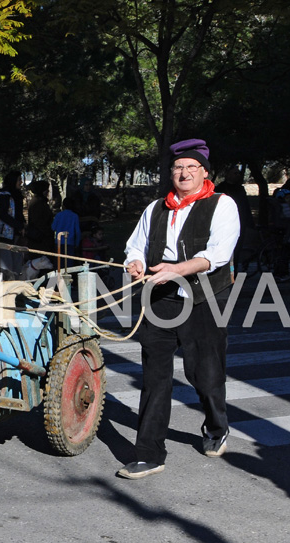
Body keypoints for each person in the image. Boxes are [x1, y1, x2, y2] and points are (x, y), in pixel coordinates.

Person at [118, 138, 240, 480]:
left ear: (204, 171)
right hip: (160, 299)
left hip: (204, 298)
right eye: (178, 167)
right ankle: (149, 453)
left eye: (191, 167)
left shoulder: (222, 204)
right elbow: (134, 245)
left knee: (204, 373)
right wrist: (136, 262)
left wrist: (178, 269)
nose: (183, 172)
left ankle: (216, 427)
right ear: (171, 173)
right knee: (155, 376)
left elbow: (218, 254)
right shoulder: (156, 207)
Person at [215, 167, 255, 273]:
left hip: (239, 223)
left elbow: (245, 206)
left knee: (236, 251)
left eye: (238, 173)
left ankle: (234, 273)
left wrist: (250, 223)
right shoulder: (220, 188)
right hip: (223, 224)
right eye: (234, 173)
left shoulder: (240, 189)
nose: (237, 175)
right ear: (227, 174)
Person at [0, 171, 26, 278]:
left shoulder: (17, 195)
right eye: (19, 180)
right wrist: (18, 225)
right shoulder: (4, 195)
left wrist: (22, 225)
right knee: (6, 266)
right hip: (5, 235)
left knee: (17, 265)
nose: (21, 182)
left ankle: (15, 288)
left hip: (16, 235)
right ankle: (4, 289)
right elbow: (3, 215)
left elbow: (19, 213)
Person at [51, 198, 82, 263]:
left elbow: (53, 228)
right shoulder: (75, 216)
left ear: (63, 206)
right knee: (69, 262)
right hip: (70, 243)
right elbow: (78, 232)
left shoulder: (58, 215)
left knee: (59, 262)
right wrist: (77, 244)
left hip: (59, 242)